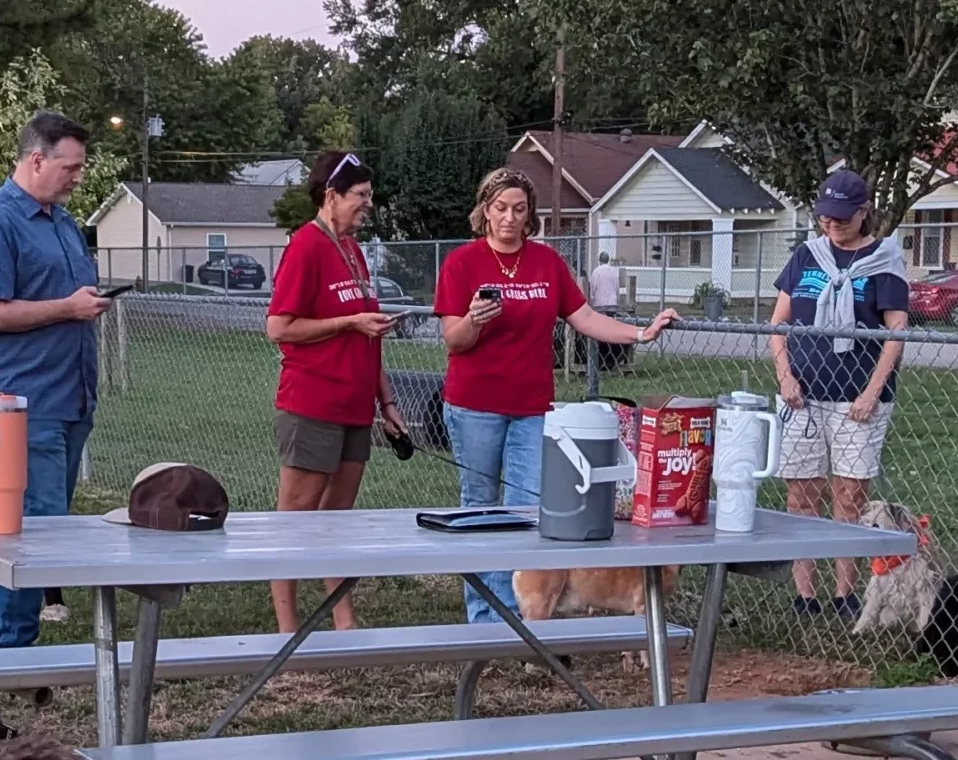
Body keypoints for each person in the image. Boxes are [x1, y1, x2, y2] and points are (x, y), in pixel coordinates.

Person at [434, 167, 678, 623]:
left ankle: (527, 614)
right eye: (500, 208)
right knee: (481, 509)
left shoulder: (547, 264)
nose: (509, 218)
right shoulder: (462, 264)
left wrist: (639, 333)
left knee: (529, 508)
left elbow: (583, 316)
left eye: (520, 210)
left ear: (531, 217)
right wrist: (475, 319)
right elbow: (454, 340)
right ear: (485, 212)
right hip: (474, 405)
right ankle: (487, 618)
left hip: (532, 409)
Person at [0, 110, 109, 649]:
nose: (78, 177)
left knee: (52, 528)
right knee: (29, 531)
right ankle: (11, 650)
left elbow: (65, 304)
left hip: (71, 398)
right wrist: (68, 308)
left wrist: (83, 305)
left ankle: (23, 649)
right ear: (36, 159)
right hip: (24, 402)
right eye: (70, 166)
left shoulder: (64, 222)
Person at [264, 151, 404, 633]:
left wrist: (387, 402)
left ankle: (345, 623)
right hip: (312, 404)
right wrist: (348, 321)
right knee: (296, 522)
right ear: (331, 197)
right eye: (360, 197)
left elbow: (371, 336)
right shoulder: (306, 246)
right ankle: (287, 628)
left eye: (369, 196)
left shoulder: (353, 250)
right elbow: (279, 327)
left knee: (337, 520)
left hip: (355, 406)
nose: (368, 206)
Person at [767, 171, 908, 616]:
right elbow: (777, 325)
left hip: (856, 401)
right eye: (826, 217)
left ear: (864, 212)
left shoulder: (883, 262)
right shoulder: (805, 257)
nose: (832, 225)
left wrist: (871, 392)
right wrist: (784, 376)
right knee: (801, 496)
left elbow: (896, 333)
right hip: (802, 396)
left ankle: (845, 594)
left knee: (850, 498)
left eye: (842, 218)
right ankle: (804, 596)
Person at [589, 253, 631, 372]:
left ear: (599, 260)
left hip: (599, 306)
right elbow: (616, 287)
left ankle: (600, 358)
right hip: (611, 306)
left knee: (599, 332)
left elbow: (593, 288)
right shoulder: (613, 271)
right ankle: (611, 357)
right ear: (608, 260)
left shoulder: (596, 272)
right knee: (610, 330)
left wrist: (592, 300)